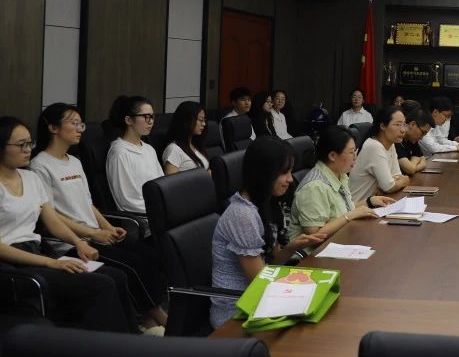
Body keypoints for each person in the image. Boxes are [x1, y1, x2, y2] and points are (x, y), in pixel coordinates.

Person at [0, 116, 143, 334]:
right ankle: (111, 348)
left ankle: (132, 338)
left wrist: (79, 243)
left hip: (36, 252)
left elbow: (53, 221)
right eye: (21, 145)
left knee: (116, 276)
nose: (28, 150)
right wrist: (52, 263)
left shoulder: (30, 178)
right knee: (101, 284)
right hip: (11, 264)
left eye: (30, 143)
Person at [32, 104, 169, 330]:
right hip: (70, 244)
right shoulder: (40, 166)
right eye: (74, 123)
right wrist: (93, 233)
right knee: (130, 266)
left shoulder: (74, 161)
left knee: (148, 256)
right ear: (53, 128)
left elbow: (88, 204)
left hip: (95, 236)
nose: (80, 129)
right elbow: (51, 215)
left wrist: (107, 227)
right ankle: (156, 315)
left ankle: (147, 318)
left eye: (81, 124)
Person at [210, 137, 327, 328]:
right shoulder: (243, 215)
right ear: (264, 173)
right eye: (284, 172)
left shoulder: (265, 203)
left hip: (258, 300)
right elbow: (259, 281)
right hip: (236, 312)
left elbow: (270, 264)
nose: (290, 179)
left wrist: (292, 247)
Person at [287, 126, 392, 242]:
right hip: (317, 251)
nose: (355, 157)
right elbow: (315, 235)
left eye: (355, 151)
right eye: (351, 152)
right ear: (332, 156)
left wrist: (369, 202)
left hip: (340, 240)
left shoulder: (339, 174)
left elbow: (341, 209)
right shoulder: (314, 187)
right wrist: (350, 216)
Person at [104, 95, 163, 215]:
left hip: (159, 213)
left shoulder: (149, 149)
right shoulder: (119, 153)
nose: (151, 121)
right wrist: (159, 212)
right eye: (146, 117)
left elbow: (162, 184)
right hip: (142, 218)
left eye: (152, 116)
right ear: (129, 120)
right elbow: (127, 201)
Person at [353, 107, 410, 203]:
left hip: (376, 203)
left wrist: (388, 185)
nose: (403, 130)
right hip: (359, 206)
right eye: (397, 125)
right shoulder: (373, 146)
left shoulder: (391, 144)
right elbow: (389, 186)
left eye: (404, 125)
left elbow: (397, 176)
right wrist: (404, 181)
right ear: (383, 126)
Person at [161, 101, 209, 174]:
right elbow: (171, 180)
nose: (204, 124)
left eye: (204, 120)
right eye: (200, 120)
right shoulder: (174, 149)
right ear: (186, 121)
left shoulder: (195, 144)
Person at [396, 108, 431, 176]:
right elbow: (409, 169)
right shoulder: (396, 139)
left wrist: (413, 167)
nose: (421, 138)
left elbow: (423, 162)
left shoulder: (412, 140)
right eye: (423, 133)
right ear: (412, 124)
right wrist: (415, 160)